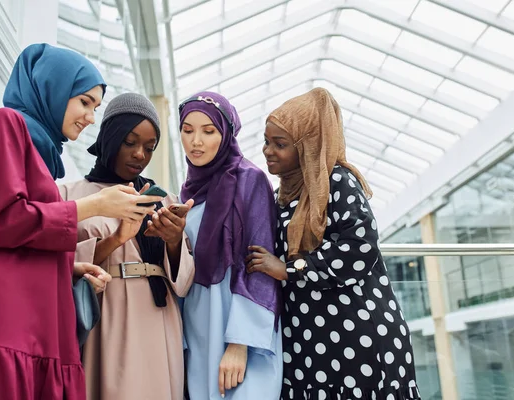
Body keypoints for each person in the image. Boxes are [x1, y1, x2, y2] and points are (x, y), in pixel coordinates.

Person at [0, 44, 160, 400]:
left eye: (96, 107)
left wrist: (69, 267)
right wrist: (94, 205)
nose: (90, 117)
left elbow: (27, 231)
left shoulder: (43, 157)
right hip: (3, 326)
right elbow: (4, 219)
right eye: (85, 102)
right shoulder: (3, 124)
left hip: (35, 330)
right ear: (51, 87)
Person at [246, 88, 421, 400]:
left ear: (307, 147)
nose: (267, 150)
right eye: (266, 140)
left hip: (356, 334)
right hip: (310, 338)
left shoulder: (336, 181)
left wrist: (289, 269)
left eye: (280, 144)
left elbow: (359, 246)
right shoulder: (282, 196)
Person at [60, 92, 195, 400]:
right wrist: (117, 239)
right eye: (130, 142)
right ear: (110, 137)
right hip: (105, 316)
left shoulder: (165, 199)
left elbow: (185, 283)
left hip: (159, 318)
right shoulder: (71, 195)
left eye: (149, 147)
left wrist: (174, 242)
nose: (140, 155)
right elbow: (55, 263)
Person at [179, 91, 283, 400]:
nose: (196, 141)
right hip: (198, 320)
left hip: (241, 324)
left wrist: (240, 343)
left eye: (208, 131)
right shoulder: (187, 192)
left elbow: (260, 259)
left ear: (225, 134)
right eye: (188, 130)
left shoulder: (250, 180)